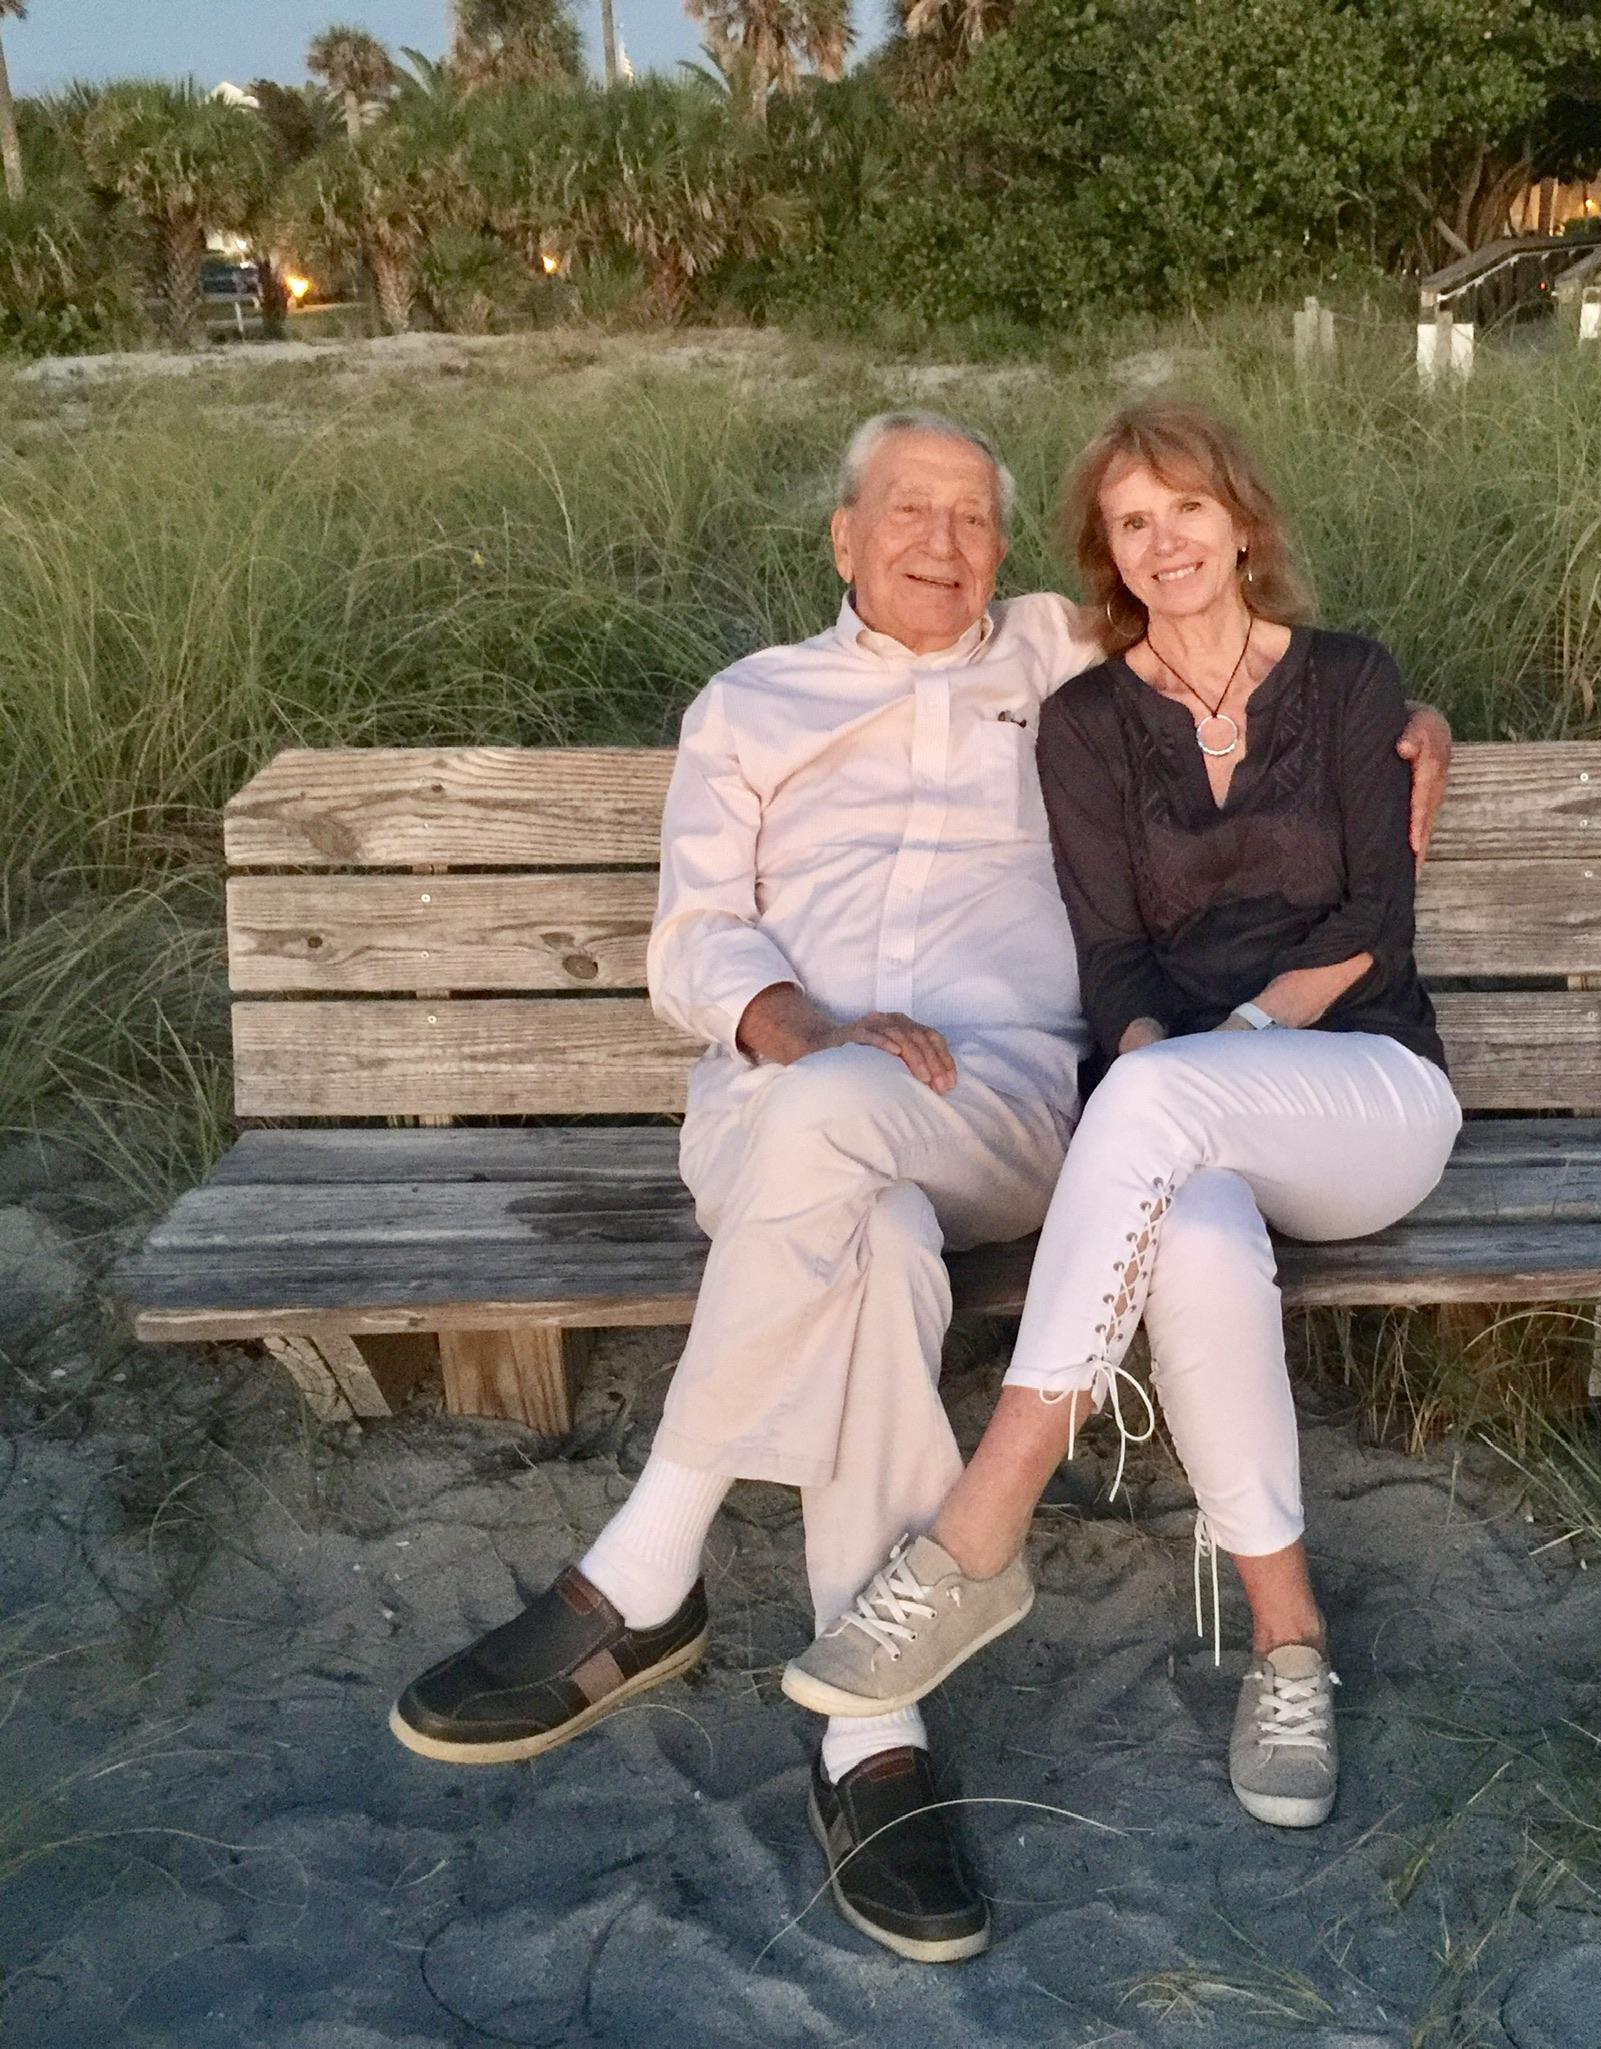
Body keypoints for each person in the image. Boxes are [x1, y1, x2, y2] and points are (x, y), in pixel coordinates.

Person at [387, 410, 1453, 1960]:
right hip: (786, 1096)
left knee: (863, 1146)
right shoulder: (748, 702)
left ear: (1007, 552)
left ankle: (649, 1562)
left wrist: (1412, 716)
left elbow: (1244, 648)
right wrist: (798, 1025)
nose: (940, 543)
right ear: (843, 535)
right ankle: (871, 1732)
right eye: (907, 512)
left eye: (970, 518)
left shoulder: (1053, 657)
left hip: (998, 1106)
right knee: (864, 1223)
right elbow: (692, 937)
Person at [783, 400, 1462, 1836]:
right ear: (1106, 551)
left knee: (1153, 1098)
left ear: (1242, 521)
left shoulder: (1350, 681)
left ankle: (981, 1525)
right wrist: (1167, 1062)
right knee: (1194, 1236)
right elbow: (1111, 961)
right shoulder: (1088, 723)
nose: (1166, 543)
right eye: (1132, 521)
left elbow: (1371, 921)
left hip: (1363, 1091)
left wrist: (1222, 1051)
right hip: (1187, 1133)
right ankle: (1289, 1646)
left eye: (1188, 509)